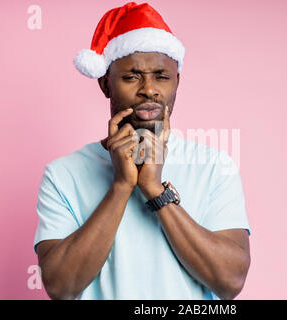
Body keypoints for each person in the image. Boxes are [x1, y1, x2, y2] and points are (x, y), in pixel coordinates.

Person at [33, 2, 251, 300]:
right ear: (105, 84)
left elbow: (230, 281)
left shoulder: (215, 166)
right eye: (131, 76)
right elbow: (60, 287)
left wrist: (153, 188)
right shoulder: (63, 174)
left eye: (162, 76)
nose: (149, 89)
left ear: (177, 82)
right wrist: (122, 186)